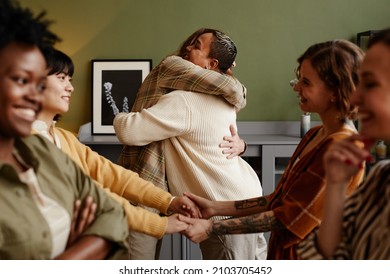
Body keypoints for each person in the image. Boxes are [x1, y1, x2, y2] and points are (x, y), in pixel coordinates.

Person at [179, 39, 366, 260]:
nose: (296, 87)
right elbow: (277, 200)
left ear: (335, 91)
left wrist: (211, 228)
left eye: (306, 82)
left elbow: (284, 218)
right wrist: (215, 207)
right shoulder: (314, 135)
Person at [114, 28, 266, 260]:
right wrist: (242, 145)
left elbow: (128, 131)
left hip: (222, 209)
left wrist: (118, 116)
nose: (188, 47)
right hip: (245, 197)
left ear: (211, 64)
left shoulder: (182, 101)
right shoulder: (226, 101)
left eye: (196, 46)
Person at [31, 49, 199, 247]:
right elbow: (93, 195)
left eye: (70, 79)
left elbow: (114, 176)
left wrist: (169, 202)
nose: (70, 88)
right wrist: (159, 224)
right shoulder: (25, 143)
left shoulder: (65, 139)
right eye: (61, 78)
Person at [0, 0, 128, 259]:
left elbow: (113, 214)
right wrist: (81, 248)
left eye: (38, 85)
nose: (35, 97)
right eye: (21, 80)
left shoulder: (42, 150)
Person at [298, 28, 390, 260]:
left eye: (370, 85)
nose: (355, 97)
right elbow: (330, 257)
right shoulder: (380, 178)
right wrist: (337, 186)